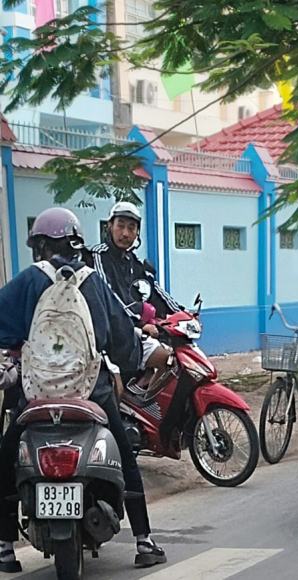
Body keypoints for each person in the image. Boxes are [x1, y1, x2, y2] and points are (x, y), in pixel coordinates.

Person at [0, 208, 166, 572]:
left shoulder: (28, 281)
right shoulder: (93, 282)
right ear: (76, 244)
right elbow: (121, 342)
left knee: (8, 453)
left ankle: (5, 548)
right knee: (124, 452)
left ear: (39, 246)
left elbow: (5, 329)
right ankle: (143, 541)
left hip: (36, 396)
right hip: (91, 392)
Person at [91, 202, 181, 393]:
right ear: (109, 226)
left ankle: (146, 406)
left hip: (136, 337)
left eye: (131, 228)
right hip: (110, 341)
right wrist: (139, 324)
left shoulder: (135, 263)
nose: (125, 233)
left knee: (172, 362)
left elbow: (155, 291)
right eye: (120, 225)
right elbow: (111, 298)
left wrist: (183, 314)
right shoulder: (98, 256)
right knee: (117, 392)